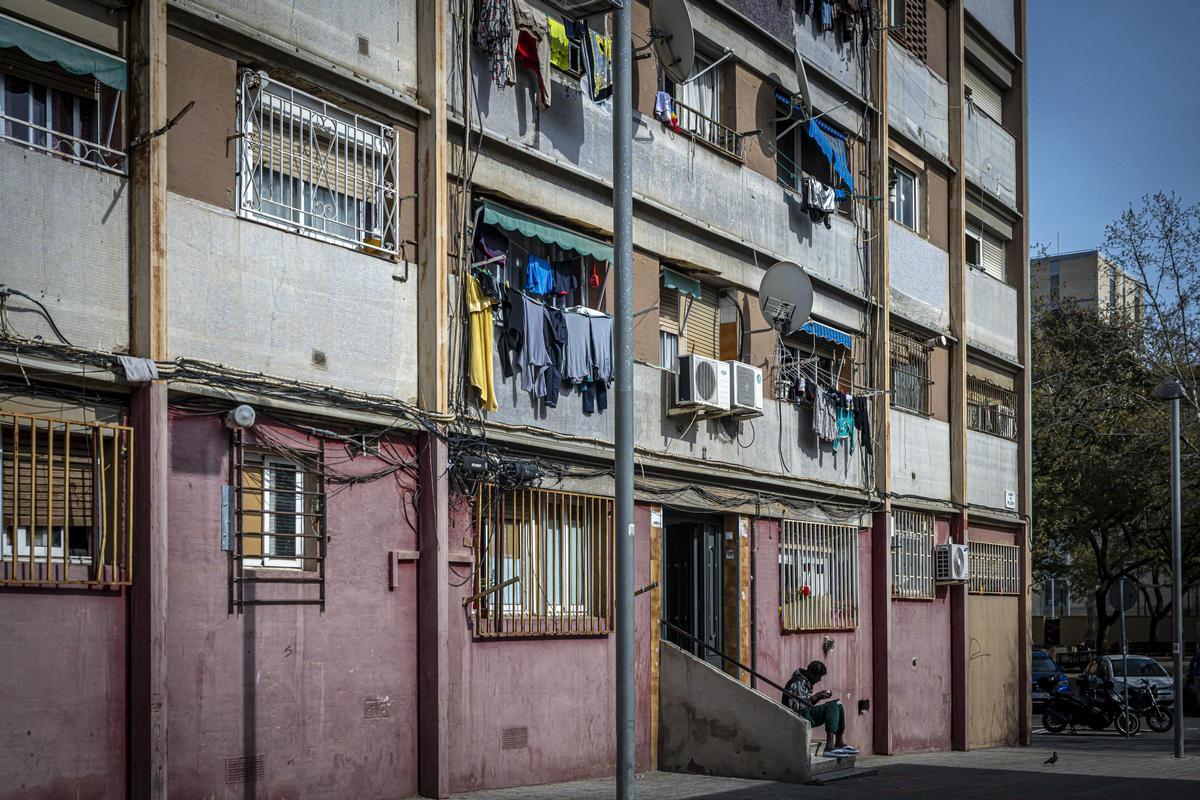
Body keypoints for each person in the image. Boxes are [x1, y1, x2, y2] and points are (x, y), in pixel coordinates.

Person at [783, 660, 857, 757]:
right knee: (832, 706)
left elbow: (806, 703)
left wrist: (818, 697)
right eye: (819, 677)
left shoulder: (806, 681)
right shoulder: (798, 682)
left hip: (804, 712)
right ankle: (829, 746)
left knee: (838, 704)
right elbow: (796, 708)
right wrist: (815, 697)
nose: (819, 680)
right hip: (796, 716)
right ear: (812, 673)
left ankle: (839, 742)